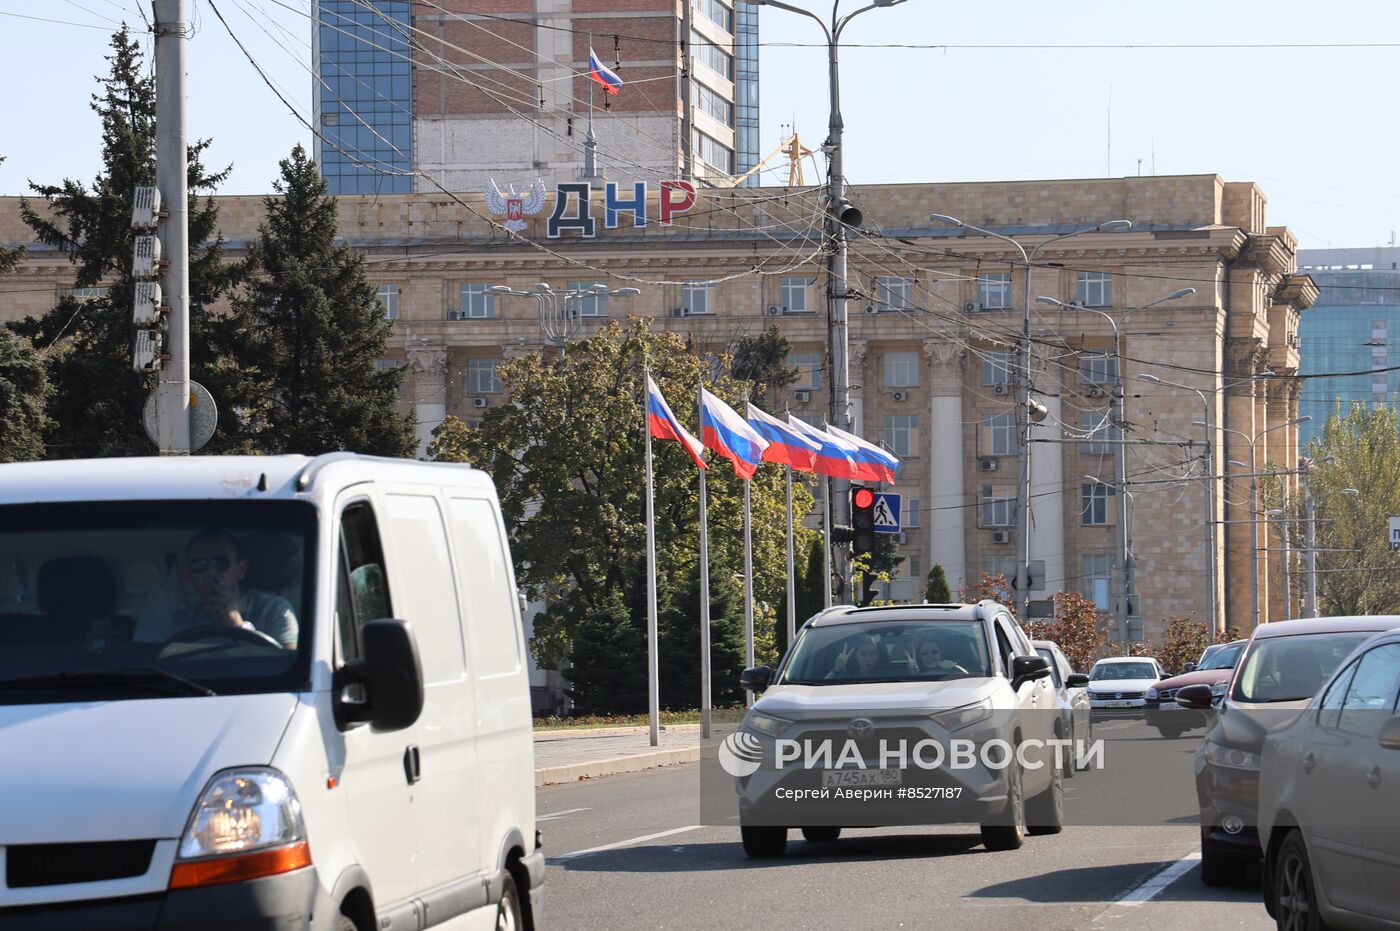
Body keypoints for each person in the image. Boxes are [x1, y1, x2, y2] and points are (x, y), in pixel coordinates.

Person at [171, 529, 298, 649]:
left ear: (240, 569)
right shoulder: (180, 618)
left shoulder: (274, 610)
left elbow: (292, 664)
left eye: (220, 562)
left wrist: (236, 625)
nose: (210, 572)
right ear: (189, 574)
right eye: (199, 564)